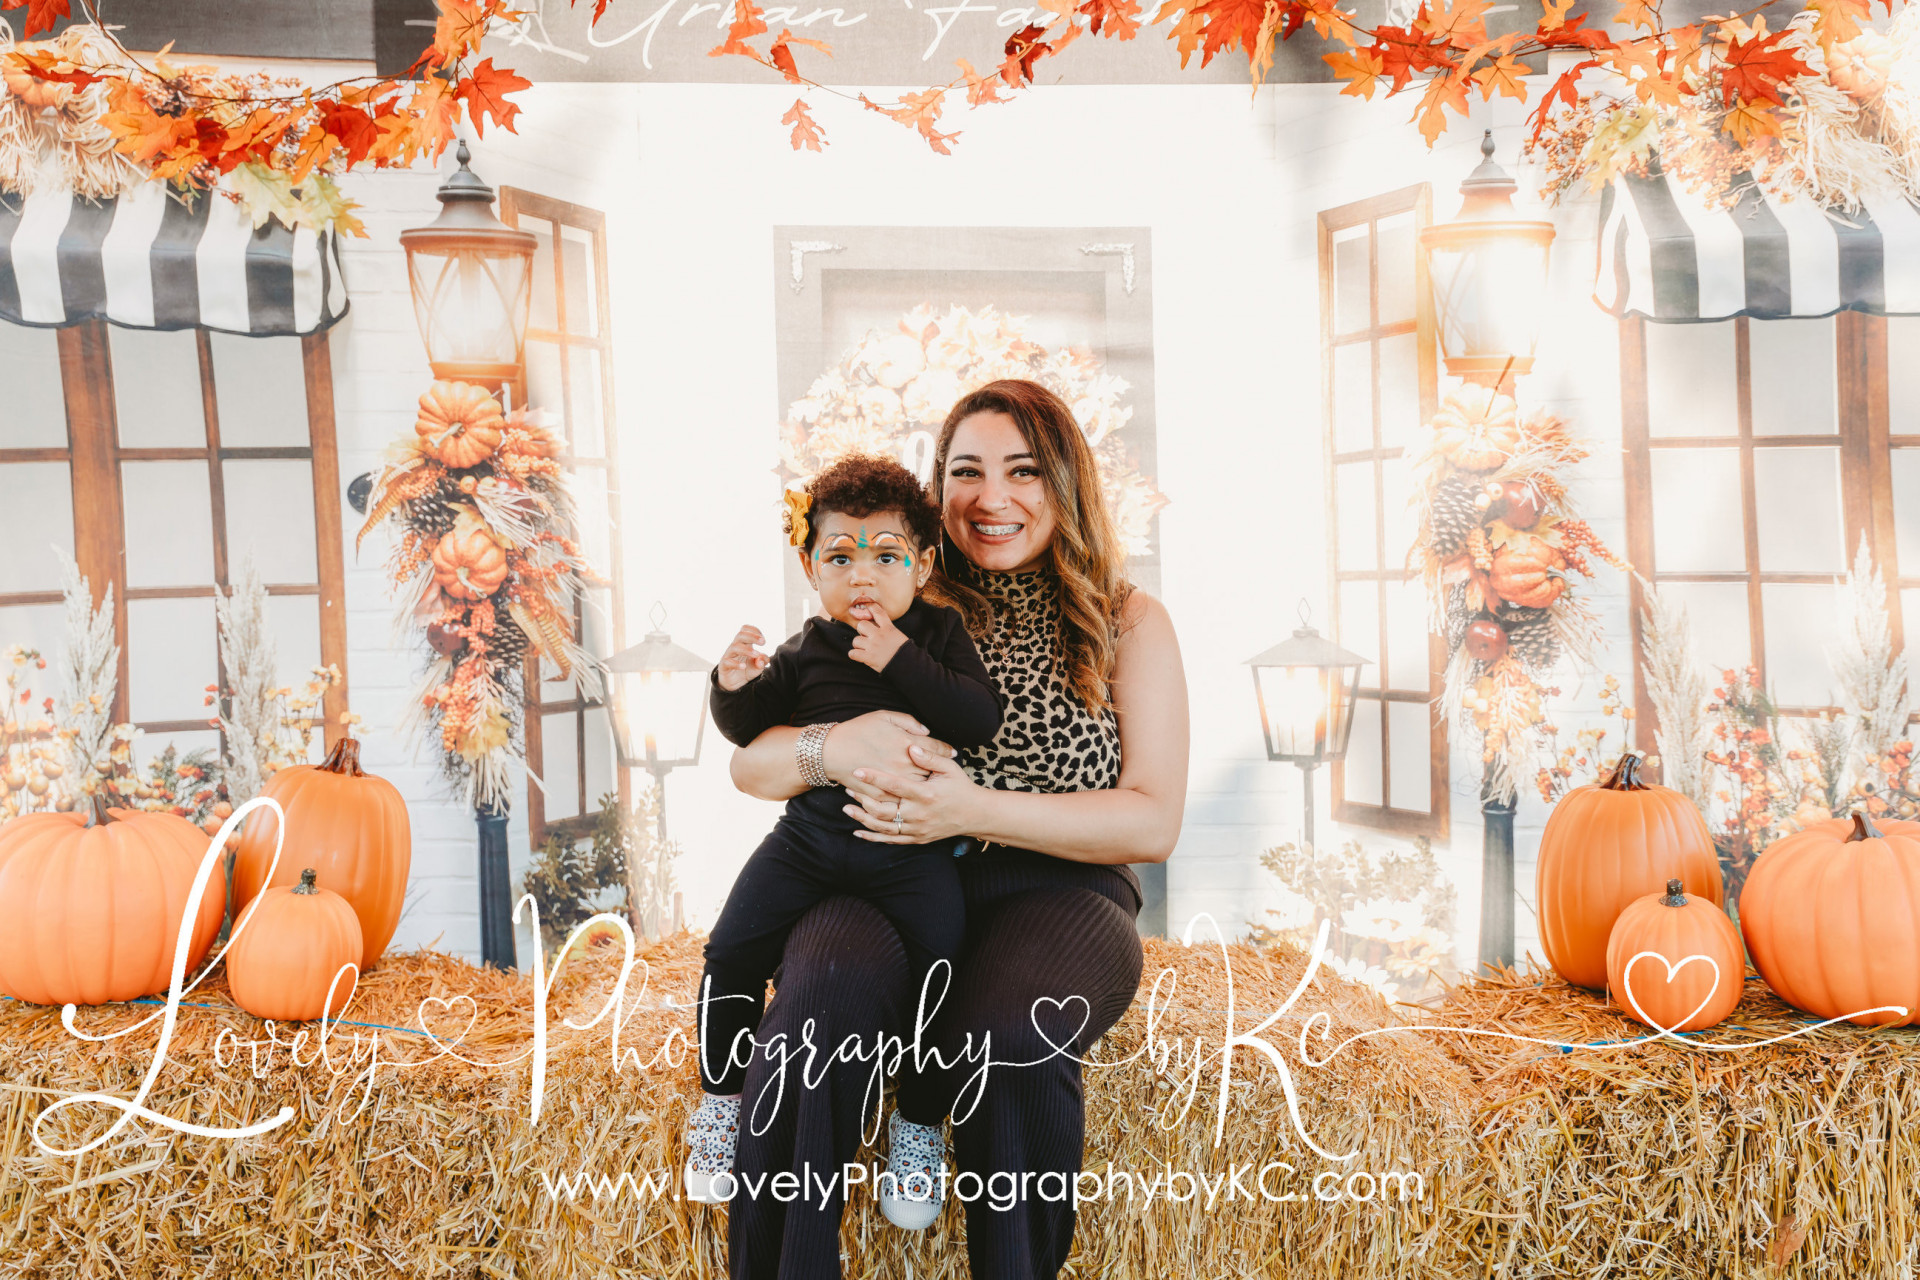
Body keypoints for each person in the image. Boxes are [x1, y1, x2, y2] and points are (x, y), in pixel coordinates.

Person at [722, 378, 1190, 1279]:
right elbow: (751, 766)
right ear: (938, 490)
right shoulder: (891, 592)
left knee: (1011, 1037)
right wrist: (834, 746)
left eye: (1024, 470)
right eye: (967, 471)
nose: (991, 496)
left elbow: (1153, 818)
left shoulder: (1128, 619)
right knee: (813, 1011)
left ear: (1066, 482)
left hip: (1061, 892)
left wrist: (970, 809)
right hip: (889, 874)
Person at [687, 454, 1005, 1204]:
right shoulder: (807, 647)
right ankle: (721, 1101)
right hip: (808, 844)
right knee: (730, 951)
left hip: (909, 850)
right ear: (810, 567)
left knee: (942, 974)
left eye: (886, 556)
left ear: (923, 565)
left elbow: (977, 719)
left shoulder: (938, 634)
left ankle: (919, 1124)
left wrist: (901, 659)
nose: (863, 576)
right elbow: (748, 730)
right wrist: (729, 685)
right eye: (840, 557)